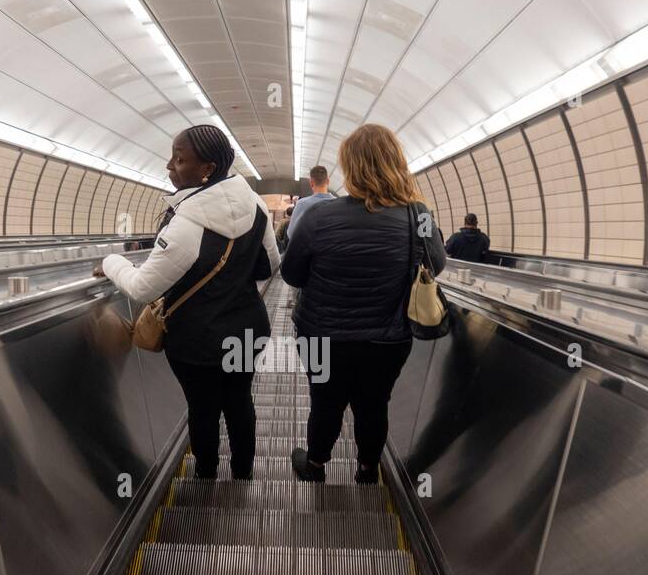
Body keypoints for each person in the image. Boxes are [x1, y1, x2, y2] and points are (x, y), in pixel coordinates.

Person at [96, 124, 281, 480]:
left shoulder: (187, 223)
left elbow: (143, 287)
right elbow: (269, 264)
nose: (169, 166)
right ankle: (243, 472)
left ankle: (207, 475)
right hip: (246, 328)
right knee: (240, 401)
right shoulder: (256, 205)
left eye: (179, 160)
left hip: (196, 339)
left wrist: (110, 262)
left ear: (207, 169)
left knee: (203, 408)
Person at [280, 123, 446, 485]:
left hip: (322, 337)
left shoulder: (318, 217)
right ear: (398, 163)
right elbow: (437, 265)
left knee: (325, 401)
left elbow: (291, 275)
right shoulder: (418, 215)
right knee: (374, 404)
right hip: (388, 339)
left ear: (349, 167)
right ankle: (368, 470)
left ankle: (315, 465)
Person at [286, 165, 335, 238]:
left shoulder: (302, 204)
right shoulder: (338, 203)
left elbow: (291, 233)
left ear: (311, 183)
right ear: (328, 181)